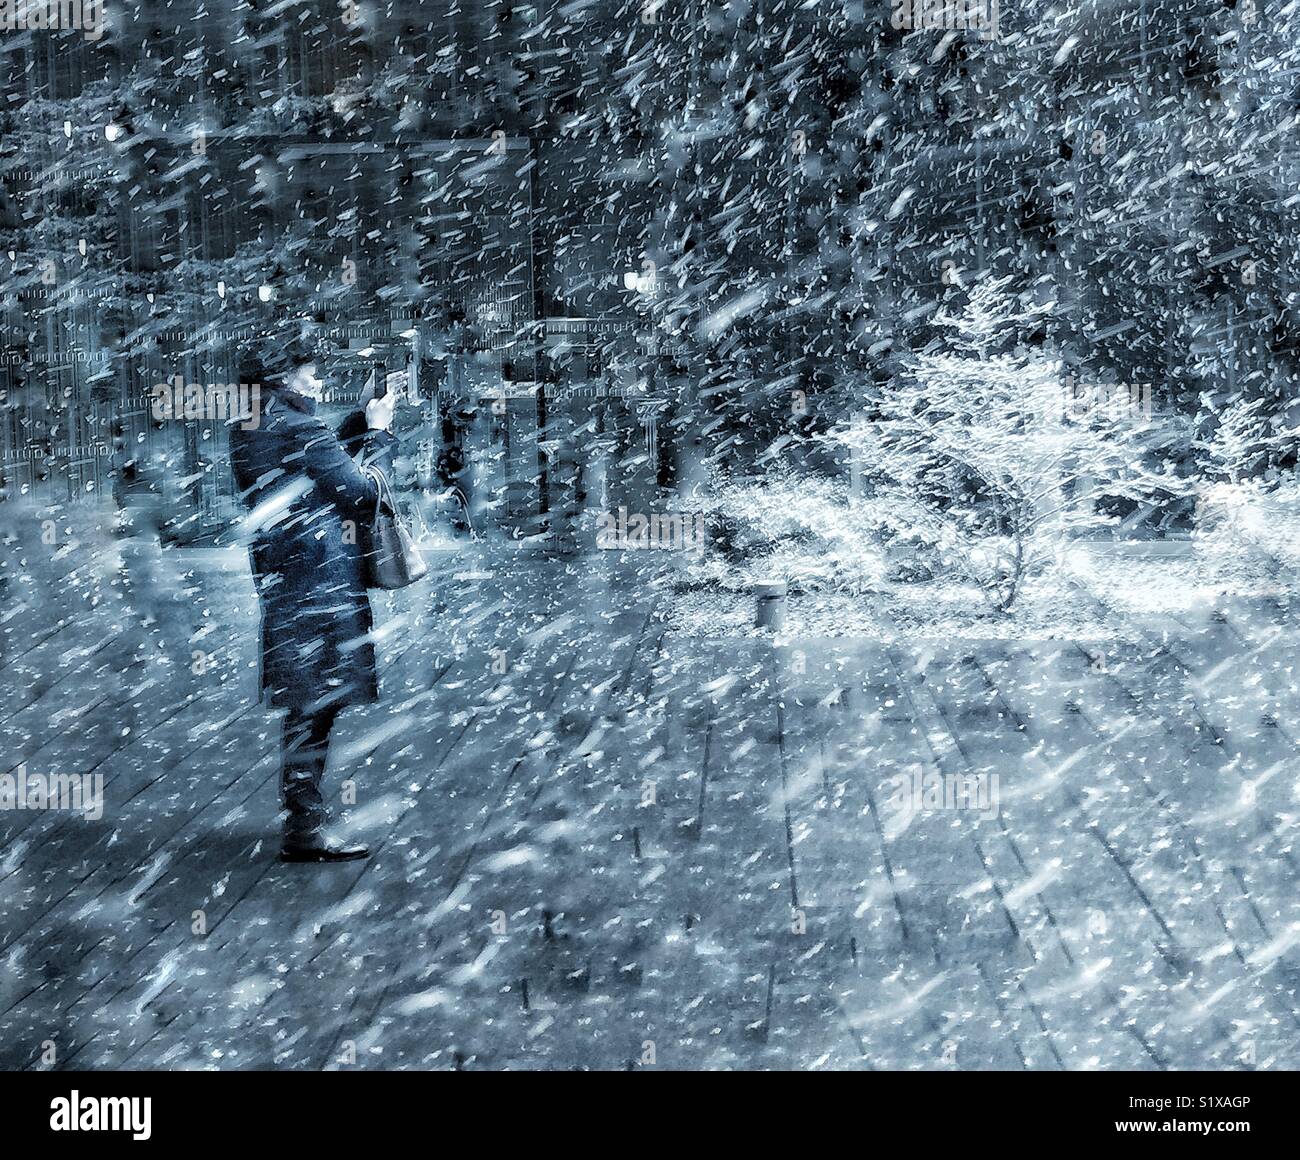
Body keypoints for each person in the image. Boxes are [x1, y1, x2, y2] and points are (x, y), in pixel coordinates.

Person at [230, 348, 401, 863]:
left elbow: (308, 469)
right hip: (320, 576)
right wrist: (377, 434)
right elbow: (355, 492)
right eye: (312, 371)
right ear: (286, 373)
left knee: (308, 696)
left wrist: (355, 423)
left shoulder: (251, 420)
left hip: (285, 572)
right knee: (317, 702)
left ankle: (302, 816)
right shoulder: (299, 427)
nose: (319, 380)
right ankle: (304, 825)